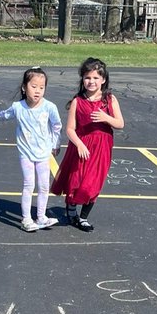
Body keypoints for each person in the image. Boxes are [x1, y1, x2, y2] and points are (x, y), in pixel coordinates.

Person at [51, 57, 124, 231]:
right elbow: (70, 129)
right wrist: (79, 145)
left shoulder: (110, 99)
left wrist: (106, 118)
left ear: (103, 79)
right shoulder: (78, 101)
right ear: (82, 79)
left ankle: (83, 217)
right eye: (87, 78)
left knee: (94, 182)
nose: (91, 81)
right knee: (76, 180)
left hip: (102, 148)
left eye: (95, 78)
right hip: (82, 147)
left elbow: (120, 124)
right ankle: (71, 211)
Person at [0, 66, 62, 232]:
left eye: (41, 88)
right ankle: (26, 219)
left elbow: (57, 126)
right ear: (24, 87)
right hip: (26, 154)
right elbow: (4, 114)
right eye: (33, 87)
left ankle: (41, 217)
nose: (37, 91)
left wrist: (56, 145)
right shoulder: (18, 107)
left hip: (43, 154)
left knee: (43, 186)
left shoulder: (49, 107)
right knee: (29, 185)